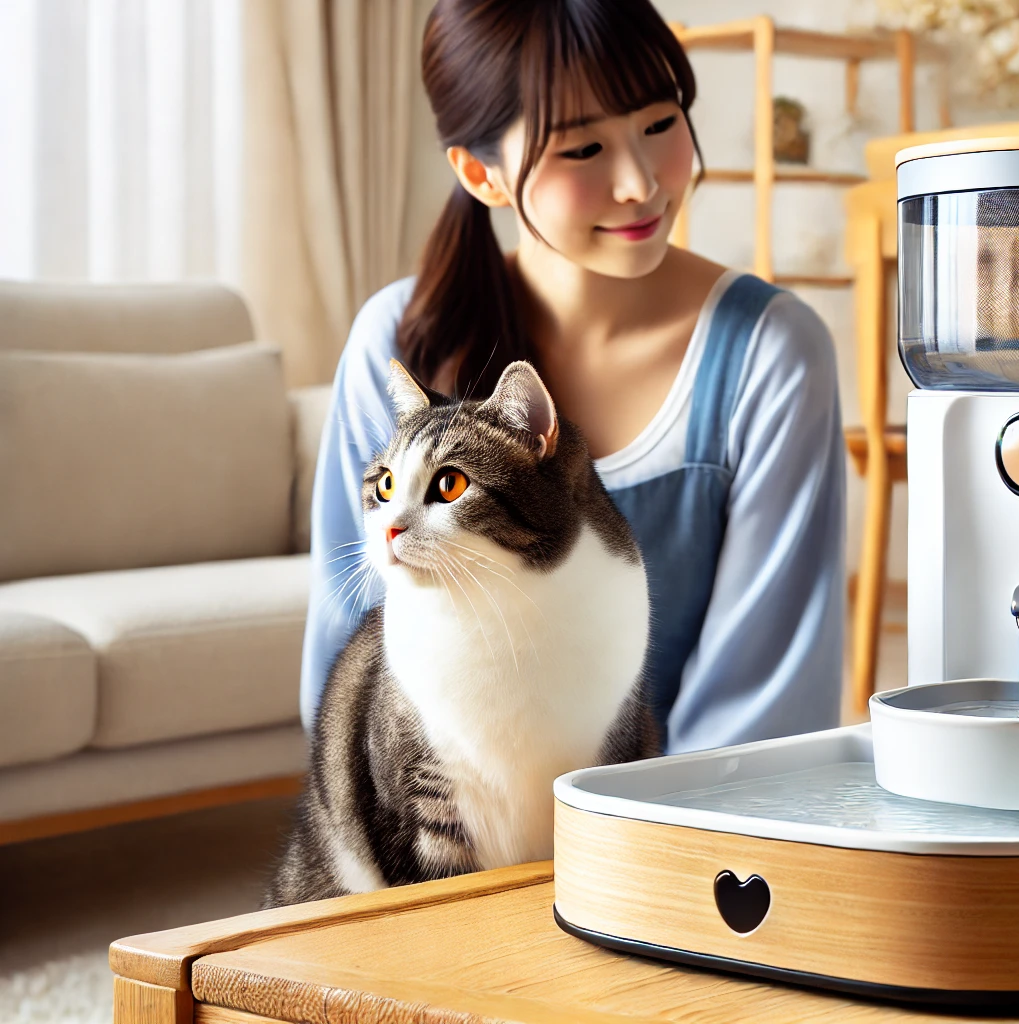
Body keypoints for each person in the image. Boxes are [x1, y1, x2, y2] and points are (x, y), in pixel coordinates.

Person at [300, 0, 846, 752]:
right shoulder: (396, 341)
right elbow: (345, 665)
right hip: (445, 845)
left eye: (660, 124)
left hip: (678, 836)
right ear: (480, 172)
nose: (640, 184)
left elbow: (766, 706)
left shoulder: (771, 353)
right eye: (583, 150)